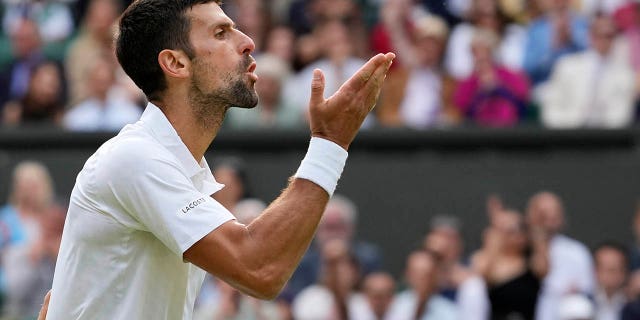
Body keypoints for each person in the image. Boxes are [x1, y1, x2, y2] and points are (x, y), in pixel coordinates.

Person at [45, 1, 395, 319]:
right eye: (221, 33)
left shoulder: (186, 169)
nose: (247, 42)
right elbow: (259, 268)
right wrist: (330, 143)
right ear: (176, 63)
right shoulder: (133, 157)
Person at [540, 14, 636, 128]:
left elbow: (621, 116)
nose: (604, 40)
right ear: (590, 36)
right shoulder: (567, 66)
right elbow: (550, 111)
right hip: (568, 136)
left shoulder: (625, 74)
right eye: (599, 35)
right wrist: (577, 123)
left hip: (606, 140)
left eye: (609, 36)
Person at [526, 191, 595, 320]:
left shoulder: (577, 252)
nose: (549, 218)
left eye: (554, 212)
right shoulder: (517, 249)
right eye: (542, 214)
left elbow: (587, 291)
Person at [471, 209, 549, 320]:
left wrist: (534, 227)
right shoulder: (487, 259)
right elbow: (484, 274)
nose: (517, 235)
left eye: (521, 229)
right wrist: (493, 239)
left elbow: (543, 268)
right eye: (511, 231)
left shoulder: (532, 262)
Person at [385, 250, 458, 320]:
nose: (421, 280)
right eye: (416, 274)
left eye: (426, 275)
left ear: (436, 276)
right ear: (407, 275)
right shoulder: (394, 306)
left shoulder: (449, 311)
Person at [593, 242, 629, 320]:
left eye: (617, 269)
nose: (612, 275)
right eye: (607, 269)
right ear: (594, 270)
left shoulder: (633, 307)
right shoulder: (580, 303)